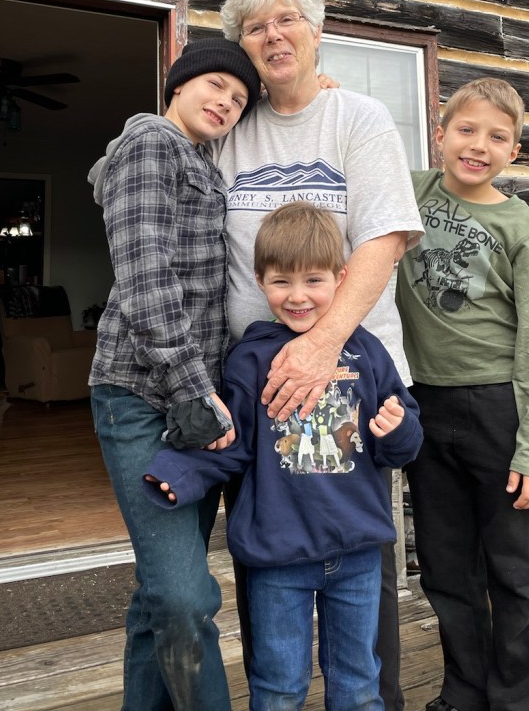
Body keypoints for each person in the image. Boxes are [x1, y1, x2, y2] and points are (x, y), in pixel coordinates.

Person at [211, 0, 424, 710]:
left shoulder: (358, 118)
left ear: (316, 30)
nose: (273, 35)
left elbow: (385, 237)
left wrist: (321, 343)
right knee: (270, 567)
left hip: (350, 377)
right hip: (259, 387)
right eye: (255, 26)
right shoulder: (229, 129)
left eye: (287, 20)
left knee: (359, 571)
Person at [144, 201, 424, 711]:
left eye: (314, 280)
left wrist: (398, 429)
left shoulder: (368, 353)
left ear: (341, 278)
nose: (297, 296)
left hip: (358, 551)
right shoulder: (251, 359)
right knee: (278, 688)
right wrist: (178, 473)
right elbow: (232, 441)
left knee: (360, 685)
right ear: (259, 281)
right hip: (278, 557)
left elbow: (401, 445)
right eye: (281, 282)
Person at [87, 37, 262, 711]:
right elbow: (145, 279)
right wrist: (195, 393)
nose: (225, 103)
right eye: (215, 85)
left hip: (195, 399)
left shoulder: (202, 162)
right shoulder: (151, 143)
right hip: (143, 394)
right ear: (178, 84)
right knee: (186, 596)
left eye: (239, 99)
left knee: (158, 592)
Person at [395, 77, 529, 711]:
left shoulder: (520, 225)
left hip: (501, 409)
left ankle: (517, 701)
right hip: (426, 406)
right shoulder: (409, 192)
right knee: (446, 568)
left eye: (497, 137)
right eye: (466, 130)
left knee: (519, 571)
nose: (478, 146)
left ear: (513, 152)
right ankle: (463, 693)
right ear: (439, 135)